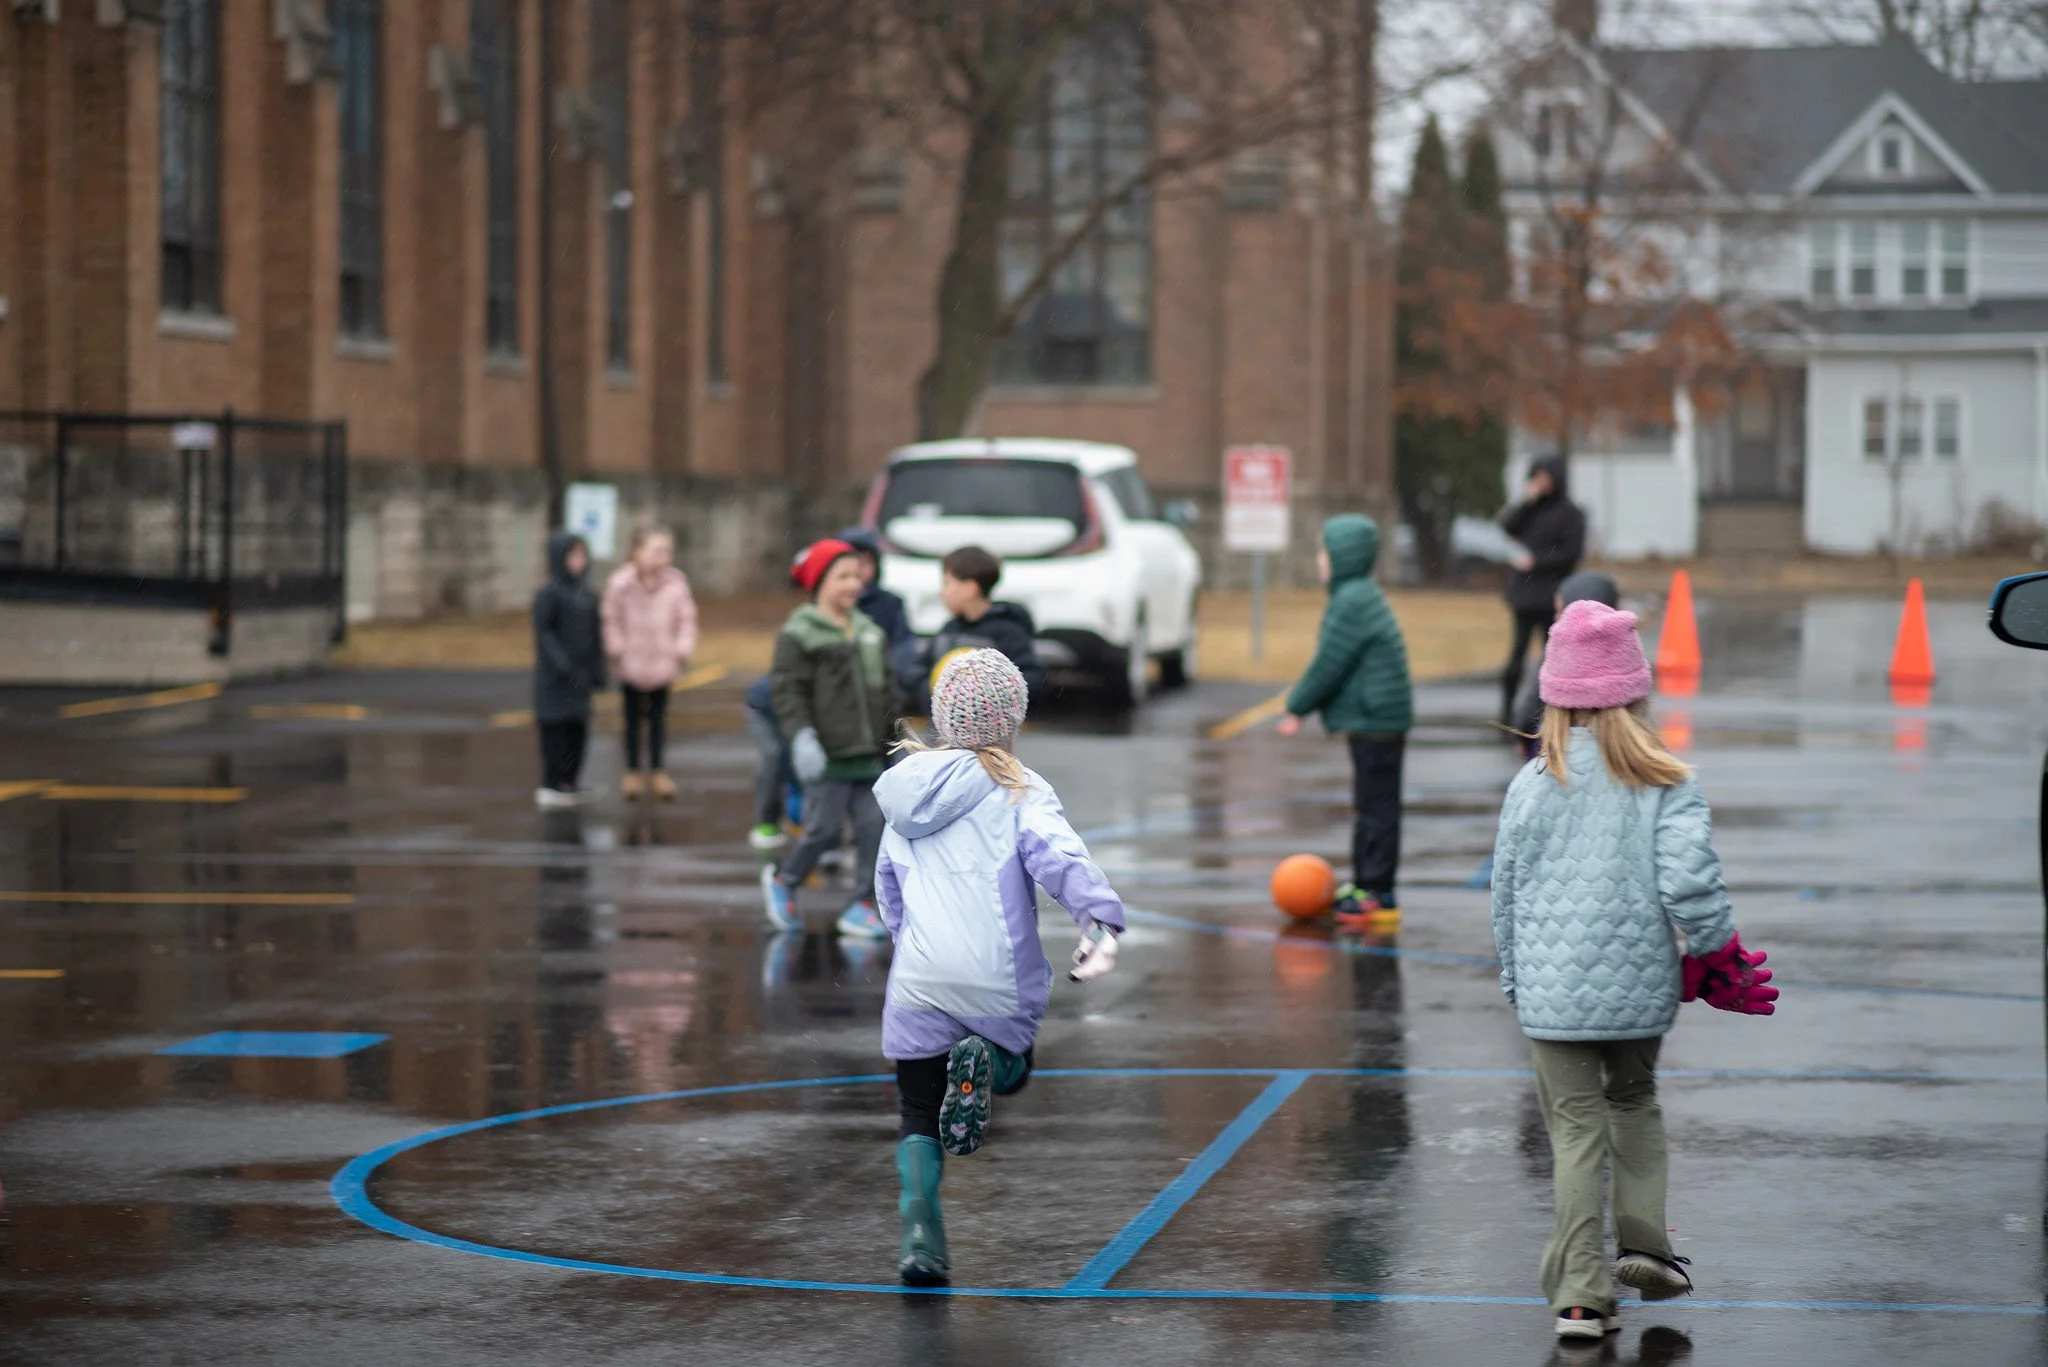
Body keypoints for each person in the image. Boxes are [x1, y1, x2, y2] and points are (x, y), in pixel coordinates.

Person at [1490, 600, 1777, 1341]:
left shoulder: (1529, 786)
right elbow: (1691, 881)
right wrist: (1717, 953)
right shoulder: (1666, 779)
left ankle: (1581, 1298)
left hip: (1553, 997)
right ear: (1635, 693)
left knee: (1576, 1131)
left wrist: (1519, 982)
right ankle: (1648, 1247)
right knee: (1635, 1103)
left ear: (1554, 695)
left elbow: (1506, 894)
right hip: (1641, 991)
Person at [873, 649, 1126, 1286]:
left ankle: (921, 1236)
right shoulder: (1020, 790)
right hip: (996, 976)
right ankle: (999, 1064)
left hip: (920, 980)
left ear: (942, 719)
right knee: (1009, 1065)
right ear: (1013, 720)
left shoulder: (904, 793)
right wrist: (1099, 921)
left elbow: (888, 894)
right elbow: (1059, 859)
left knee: (916, 1110)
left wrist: (912, 944)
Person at [1276, 515, 1413, 929]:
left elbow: (1331, 665)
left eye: (1325, 552)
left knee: (1375, 809)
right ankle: (1369, 883)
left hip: (1377, 720)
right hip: (1377, 718)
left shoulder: (1352, 600)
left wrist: (1298, 706)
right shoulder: (1358, 595)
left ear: (1345, 557)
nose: (1320, 560)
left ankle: (1378, 894)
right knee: (1372, 806)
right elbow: (1339, 665)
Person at [763, 538, 900, 939]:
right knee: (822, 831)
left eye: (856, 576)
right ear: (819, 581)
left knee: (872, 830)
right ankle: (785, 881)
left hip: (868, 755)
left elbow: (885, 692)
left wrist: (898, 740)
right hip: (828, 754)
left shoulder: (870, 632)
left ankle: (862, 904)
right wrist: (802, 736)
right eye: (842, 576)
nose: (853, 584)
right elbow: (787, 691)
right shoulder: (800, 633)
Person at [601, 524, 698, 802]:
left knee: (658, 719)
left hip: (662, 662)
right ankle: (631, 771)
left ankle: (658, 771)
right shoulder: (621, 584)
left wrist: (682, 648)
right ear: (637, 552)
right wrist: (615, 646)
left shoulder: (676, 584)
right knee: (631, 719)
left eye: (667, 551)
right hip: (631, 661)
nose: (662, 557)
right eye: (656, 550)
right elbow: (611, 617)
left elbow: (686, 620)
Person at [1498, 455, 1587, 728]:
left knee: (1553, 657)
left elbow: (1571, 553)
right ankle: (1508, 712)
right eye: (1536, 477)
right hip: (1525, 595)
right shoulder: (1531, 510)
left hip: (1553, 596)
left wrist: (1537, 561)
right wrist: (1526, 501)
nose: (1540, 482)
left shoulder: (1571, 514)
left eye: (1545, 477)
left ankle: (1550, 711)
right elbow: (1507, 526)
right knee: (1517, 655)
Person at [908, 546, 1046, 704]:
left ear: (970, 589)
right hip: (944, 726)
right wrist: (931, 689)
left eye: (947, 583)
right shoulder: (949, 629)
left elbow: (1033, 679)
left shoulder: (1007, 632)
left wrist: (988, 693)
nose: (942, 592)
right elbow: (918, 670)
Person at [1507, 569, 1620, 754]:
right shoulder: (1622, 652)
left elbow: (1533, 700)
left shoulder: (1560, 651)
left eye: (1559, 610)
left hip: (1555, 748)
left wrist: (1520, 730)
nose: (1555, 617)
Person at [532, 530, 606, 808]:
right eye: (572, 555)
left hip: (581, 679)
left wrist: (598, 669)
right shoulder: (549, 593)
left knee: (578, 730)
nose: (578, 561)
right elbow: (544, 633)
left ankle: (571, 780)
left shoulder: (587, 594)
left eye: (582, 555)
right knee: (556, 732)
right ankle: (552, 783)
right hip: (555, 681)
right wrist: (561, 663)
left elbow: (596, 634)